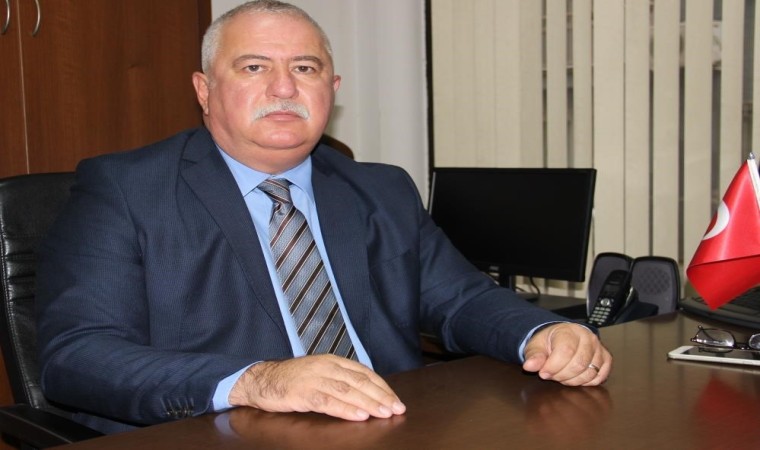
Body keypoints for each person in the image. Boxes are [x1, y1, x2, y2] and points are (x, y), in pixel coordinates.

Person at [36, 0, 612, 435]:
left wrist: (542, 332)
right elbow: (77, 356)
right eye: (254, 67)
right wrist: (255, 380)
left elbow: (461, 299)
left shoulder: (379, 188)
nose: (284, 87)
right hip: (220, 433)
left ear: (331, 89)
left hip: (389, 424)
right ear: (205, 90)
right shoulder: (126, 189)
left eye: (306, 68)